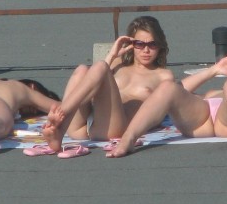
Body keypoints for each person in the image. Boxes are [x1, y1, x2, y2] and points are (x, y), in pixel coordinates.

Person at [106, 55, 227, 159]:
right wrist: (213, 71)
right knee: (168, 87)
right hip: (200, 120)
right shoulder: (213, 92)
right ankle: (128, 139)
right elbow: (179, 90)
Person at [38, 16, 175, 154]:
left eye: (152, 44)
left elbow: (162, 107)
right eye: (139, 44)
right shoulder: (118, 64)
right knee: (82, 70)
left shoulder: (163, 75)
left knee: (100, 66)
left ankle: (60, 119)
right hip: (83, 127)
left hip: (117, 128)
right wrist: (112, 55)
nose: (146, 50)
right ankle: (60, 129)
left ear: (160, 45)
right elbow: (93, 81)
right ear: (131, 44)